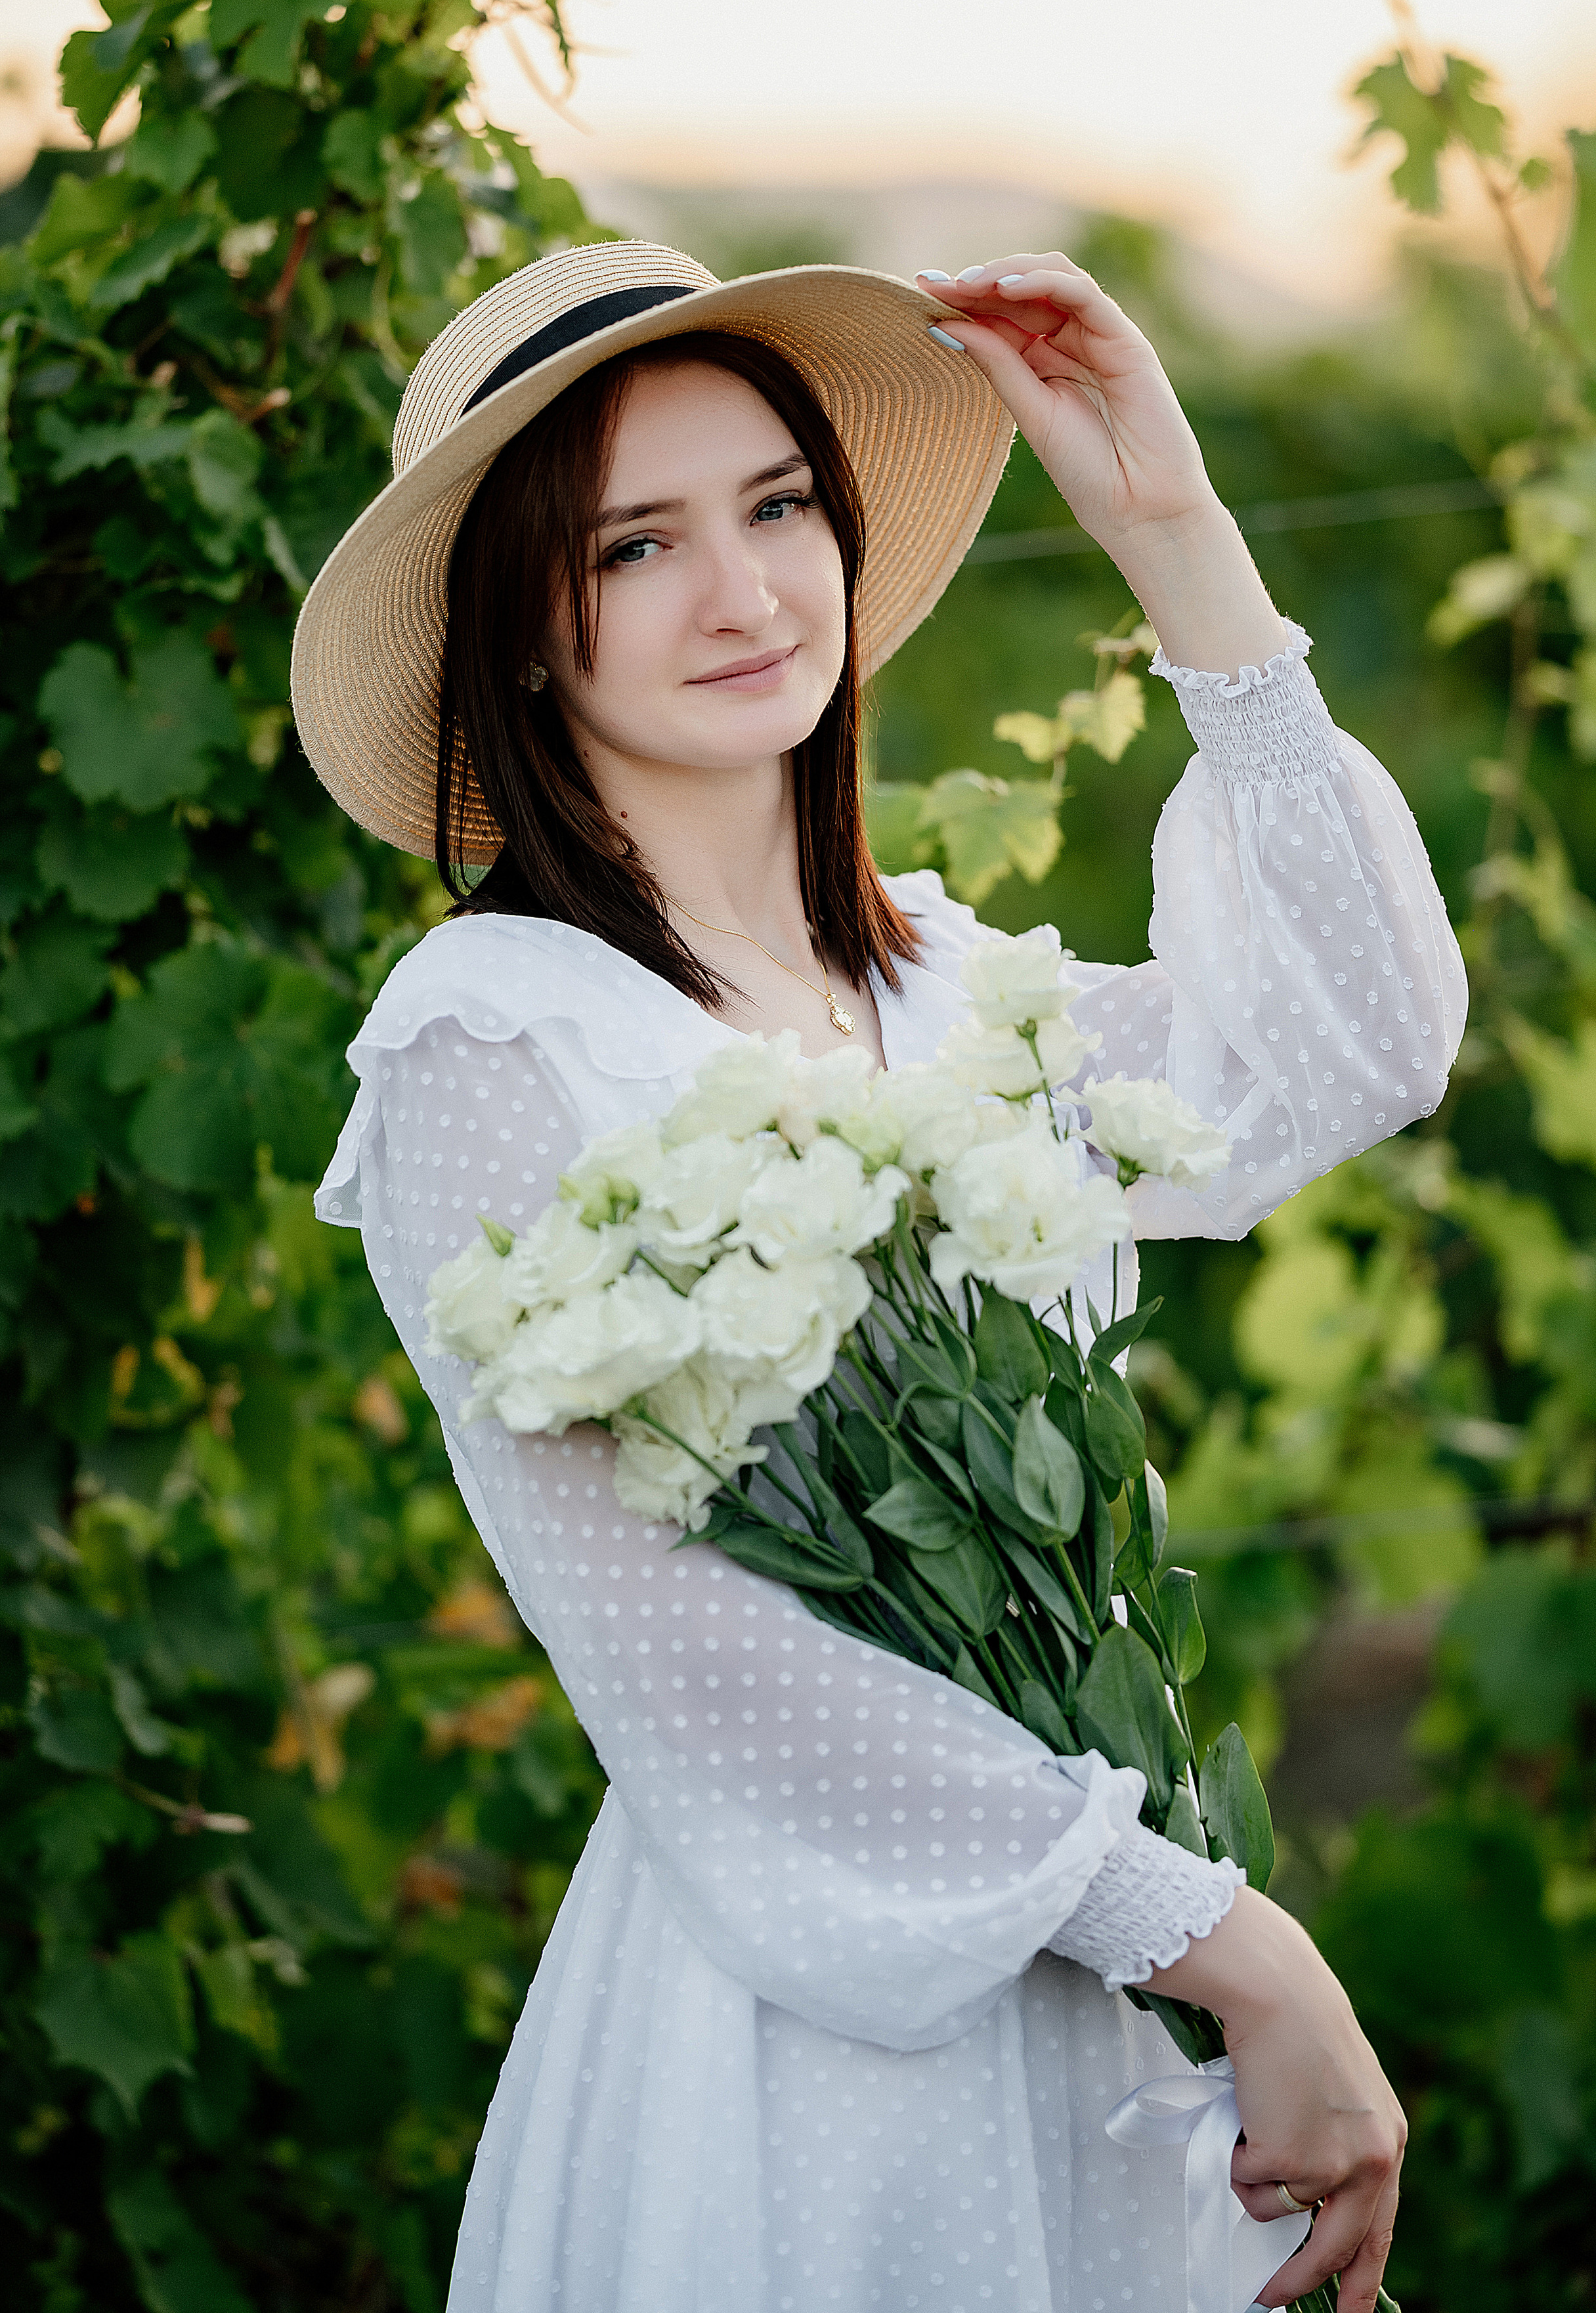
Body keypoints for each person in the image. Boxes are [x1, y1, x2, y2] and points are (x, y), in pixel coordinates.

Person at [294, 240, 1461, 2313]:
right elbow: (686, 1658)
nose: (743, 592)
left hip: (1105, 2004)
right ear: (523, 638)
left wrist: (1177, 541)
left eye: (776, 506)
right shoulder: (502, 1040)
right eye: (636, 545)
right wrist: (1228, 1942)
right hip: (805, 2039)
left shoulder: (941, 987)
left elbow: (1352, 1050)